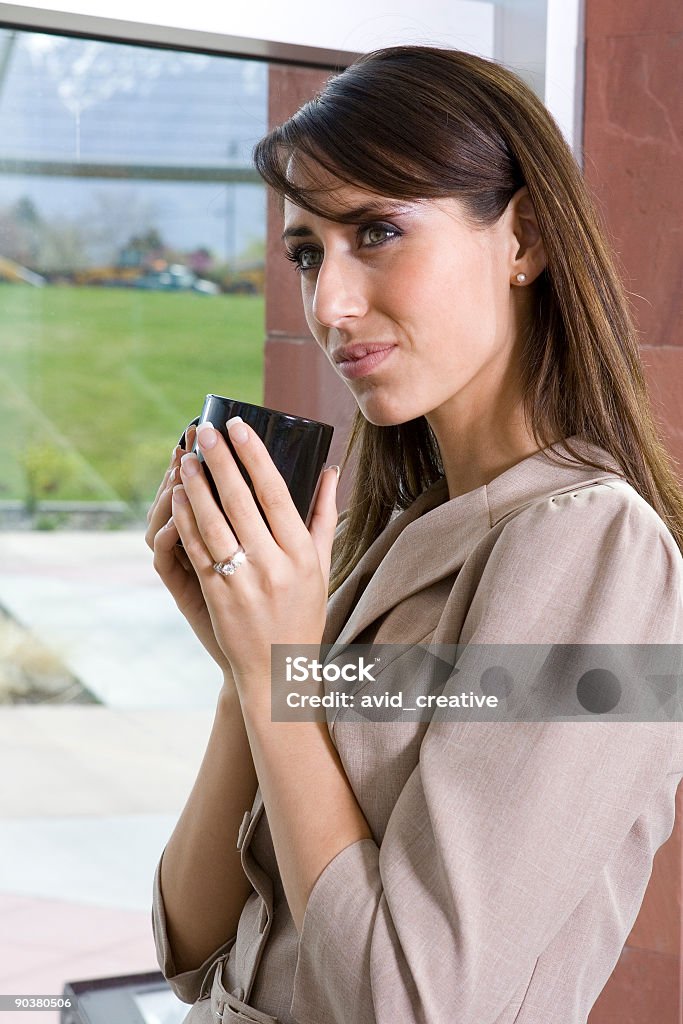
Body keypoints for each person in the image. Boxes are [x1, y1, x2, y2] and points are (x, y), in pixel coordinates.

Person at [146, 45, 683, 1024]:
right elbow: (193, 947)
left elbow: (413, 1003)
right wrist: (247, 663)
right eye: (308, 252)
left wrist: (277, 665)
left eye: (377, 231)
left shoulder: (596, 551)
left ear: (522, 240)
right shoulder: (393, 539)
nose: (327, 304)